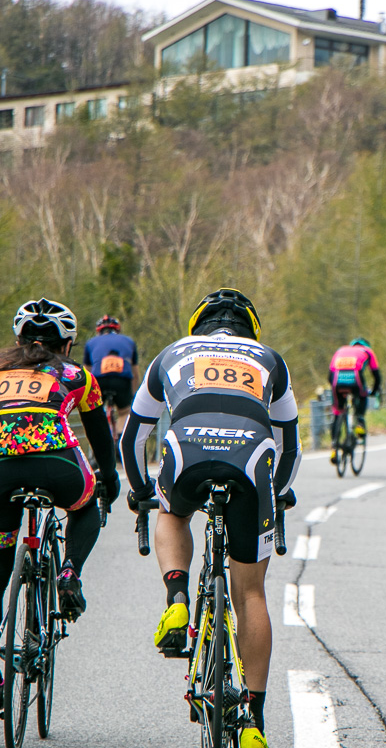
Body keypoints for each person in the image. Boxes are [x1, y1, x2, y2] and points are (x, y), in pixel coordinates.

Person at [121, 288, 299, 742]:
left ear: (197, 327)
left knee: (173, 514)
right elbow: (290, 445)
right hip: (249, 459)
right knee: (251, 594)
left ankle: (178, 600)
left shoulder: (173, 353)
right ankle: (254, 722)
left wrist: (143, 491)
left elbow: (132, 437)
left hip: (187, 452)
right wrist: (274, 496)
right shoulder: (269, 359)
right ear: (251, 329)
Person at [0, 298, 119, 719]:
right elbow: (101, 439)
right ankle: (69, 572)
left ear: (18, 339)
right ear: (67, 343)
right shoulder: (76, 374)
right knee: (86, 507)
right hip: (56, 464)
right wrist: (109, 479)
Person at [83, 314, 139, 439]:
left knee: (95, 413)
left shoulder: (91, 343)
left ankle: (100, 441)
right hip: (122, 380)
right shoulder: (129, 341)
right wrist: (133, 395)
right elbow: (135, 372)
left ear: (99, 331)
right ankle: (119, 443)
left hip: (99, 380)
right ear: (117, 330)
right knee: (124, 412)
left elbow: (86, 371)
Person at [327, 338, 381, 463]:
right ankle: (359, 423)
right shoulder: (368, 351)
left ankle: (334, 447)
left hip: (337, 381)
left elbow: (330, 376)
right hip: (355, 379)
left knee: (337, 412)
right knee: (362, 395)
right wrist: (373, 391)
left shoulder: (340, 350)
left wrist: (340, 394)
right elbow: (377, 375)